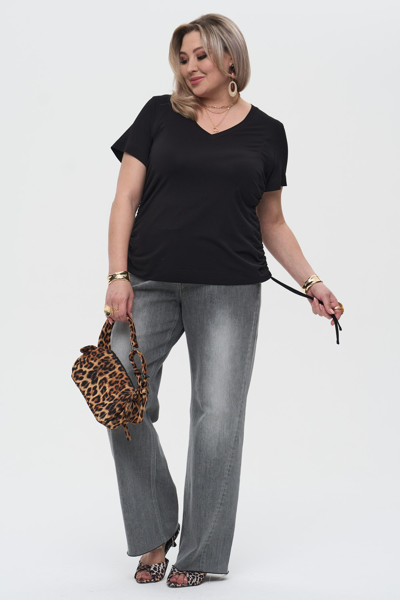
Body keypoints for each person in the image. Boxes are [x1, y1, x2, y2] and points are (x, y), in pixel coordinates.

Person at [104, 13, 344, 589]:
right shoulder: (157, 115)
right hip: (149, 282)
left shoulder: (268, 132)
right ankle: (155, 529)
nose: (190, 68)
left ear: (230, 58)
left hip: (230, 288)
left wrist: (312, 281)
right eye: (183, 58)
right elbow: (124, 198)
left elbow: (273, 221)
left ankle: (200, 554)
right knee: (119, 397)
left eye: (201, 56)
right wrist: (117, 274)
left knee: (217, 418)